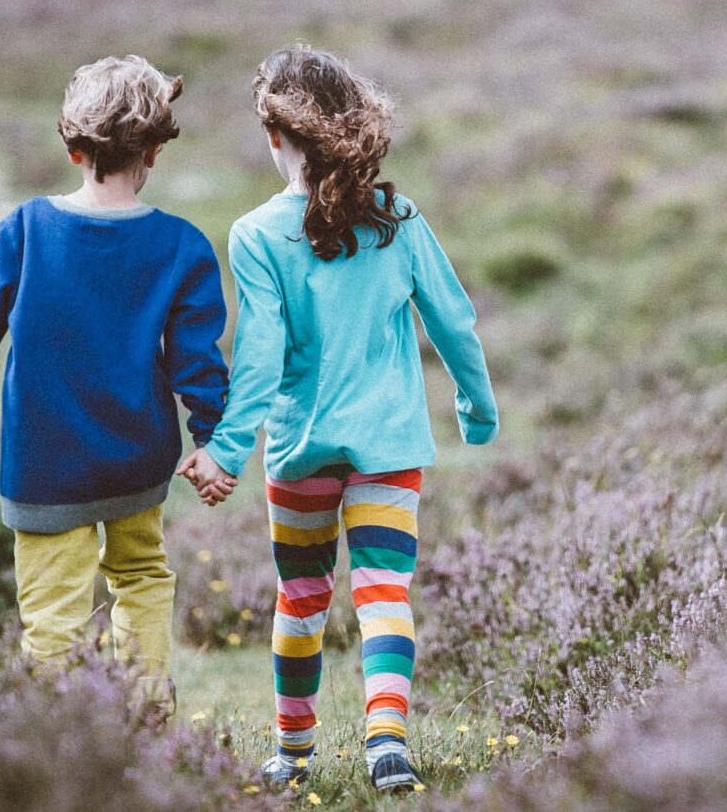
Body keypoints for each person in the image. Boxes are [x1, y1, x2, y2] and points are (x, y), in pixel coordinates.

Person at [183, 45, 497, 796]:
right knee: (384, 591)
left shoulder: (256, 234)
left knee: (302, 597)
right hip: (390, 446)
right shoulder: (398, 217)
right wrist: (475, 406)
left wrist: (228, 450)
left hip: (299, 449)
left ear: (274, 136)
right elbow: (453, 320)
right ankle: (388, 743)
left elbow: (257, 357)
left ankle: (292, 755)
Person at [0, 54, 228, 716]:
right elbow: (199, 362)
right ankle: (145, 711)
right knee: (141, 575)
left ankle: (59, 733)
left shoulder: (23, 231)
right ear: (154, 153)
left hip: (43, 464)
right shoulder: (182, 246)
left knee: (51, 613)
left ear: (74, 147)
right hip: (139, 459)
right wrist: (212, 436)